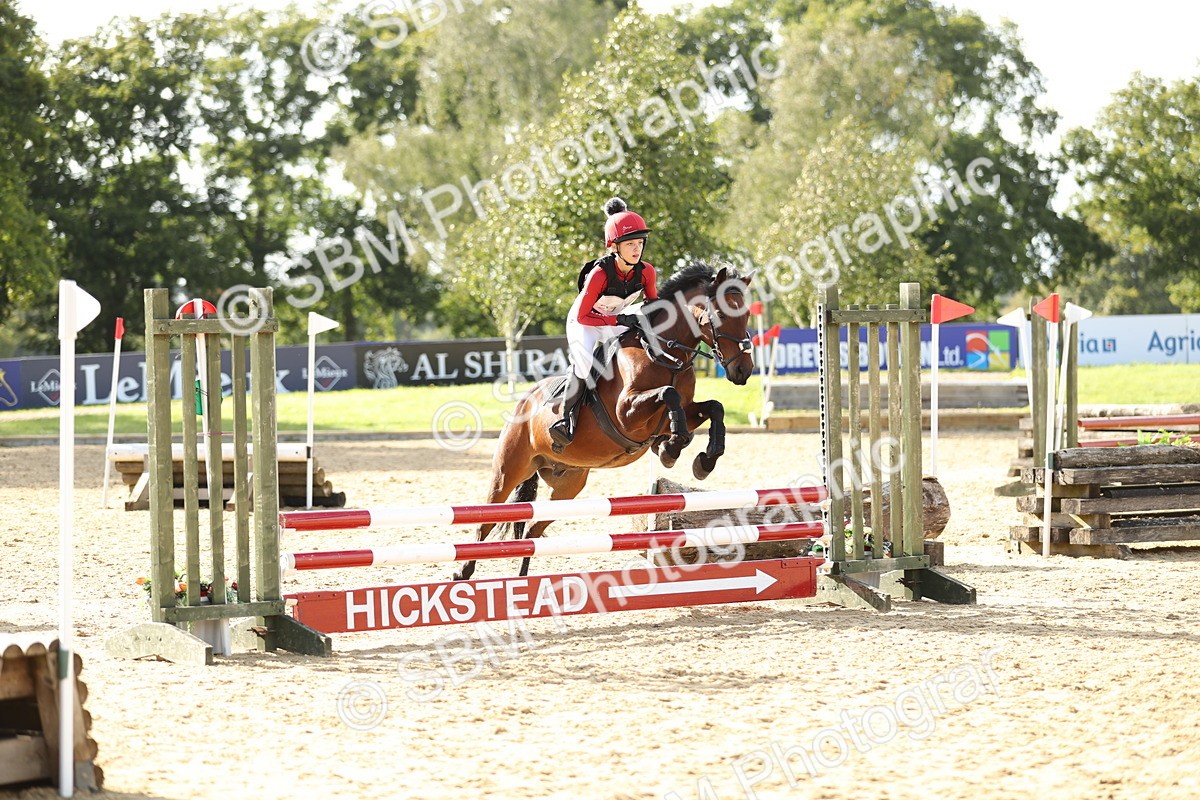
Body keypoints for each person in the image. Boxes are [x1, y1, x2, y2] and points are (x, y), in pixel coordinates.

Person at [548, 197, 660, 449]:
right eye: (630, 244)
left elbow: (653, 303)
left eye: (640, 243)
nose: (636, 249)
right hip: (585, 321)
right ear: (614, 246)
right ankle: (566, 420)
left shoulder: (647, 271)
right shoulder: (600, 273)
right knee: (585, 363)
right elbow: (583, 316)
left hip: (614, 317)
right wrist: (621, 318)